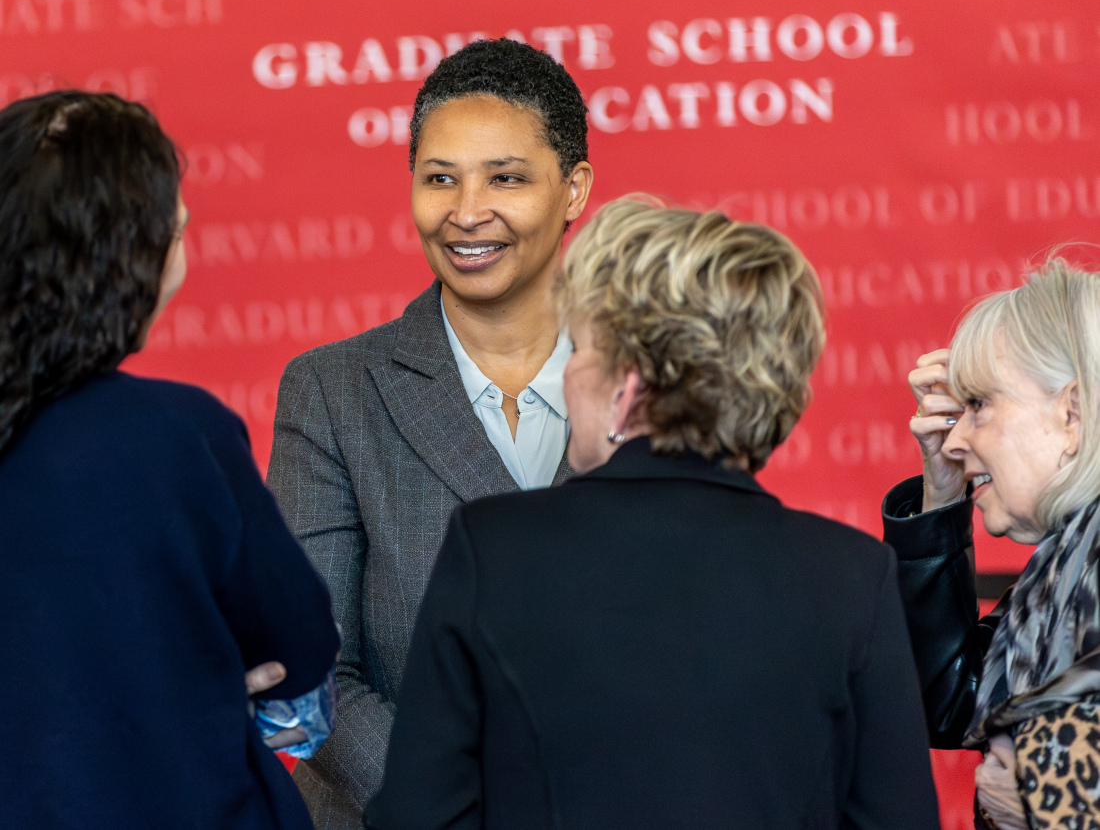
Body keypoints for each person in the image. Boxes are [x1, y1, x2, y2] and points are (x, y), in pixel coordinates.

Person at [365, 199, 941, 830]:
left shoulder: (493, 547)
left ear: (629, 386)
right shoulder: (853, 576)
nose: (565, 376)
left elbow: (418, 815)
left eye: (578, 349)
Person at [267, 38, 595, 827]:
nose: (467, 211)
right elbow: (311, 669)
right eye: (440, 178)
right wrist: (463, 811)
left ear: (574, 189)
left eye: (506, 178)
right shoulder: (332, 391)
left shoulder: (648, 384)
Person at [0, 90, 341, 830]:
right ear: (128, 261)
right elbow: (301, 651)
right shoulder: (177, 436)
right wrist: (196, 686)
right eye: (176, 230)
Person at [884, 260, 1100, 829]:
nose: (953, 439)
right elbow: (952, 702)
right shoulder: (1063, 563)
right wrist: (941, 493)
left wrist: (1045, 795)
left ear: (1072, 413)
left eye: (978, 405)